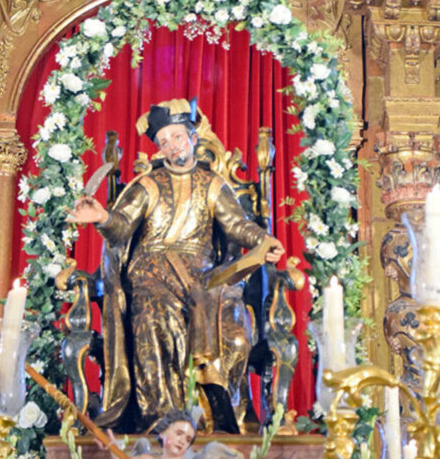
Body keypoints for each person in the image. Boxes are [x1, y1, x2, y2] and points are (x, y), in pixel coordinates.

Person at [68, 98, 285, 431]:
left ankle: (216, 420)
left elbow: (237, 225)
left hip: (206, 280)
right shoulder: (148, 185)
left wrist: (263, 241)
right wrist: (102, 217)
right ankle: (162, 421)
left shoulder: (213, 184)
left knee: (235, 338)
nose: (172, 146)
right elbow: (121, 227)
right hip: (152, 274)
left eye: (177, 137)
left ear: (193, 137)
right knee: (155, 318)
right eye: (164, 141)